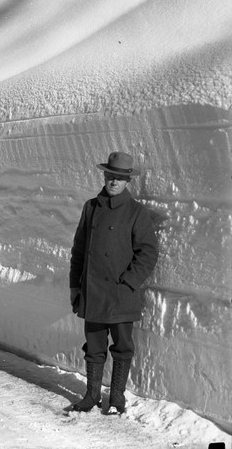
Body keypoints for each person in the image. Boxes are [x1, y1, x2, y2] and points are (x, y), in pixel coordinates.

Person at [69, 151, 159, 415]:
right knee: (94, 347)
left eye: (119, 178)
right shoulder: (91, 207)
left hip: (121, 294)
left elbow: (148, 252)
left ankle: (117, 397)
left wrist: (129, 283)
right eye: (110, 176)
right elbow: (78, 250)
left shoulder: (136, 212)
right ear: (105, 175)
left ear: (127, 181)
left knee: (122, 348)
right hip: (94, 292)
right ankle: (92, 395)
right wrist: (76, 286)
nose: (113, 182)